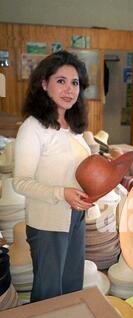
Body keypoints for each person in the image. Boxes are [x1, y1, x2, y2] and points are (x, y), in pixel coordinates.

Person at [13, 50, 94, 303]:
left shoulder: (75, 127)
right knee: (49, 293)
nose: (69, 89)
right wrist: (62, 193)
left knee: (71, 286)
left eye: (75, 83)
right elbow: (21, 182)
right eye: (61, 81)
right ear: (44, 84)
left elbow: (78, 172)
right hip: (48, 223)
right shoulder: (33, 127)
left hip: (76, 216)